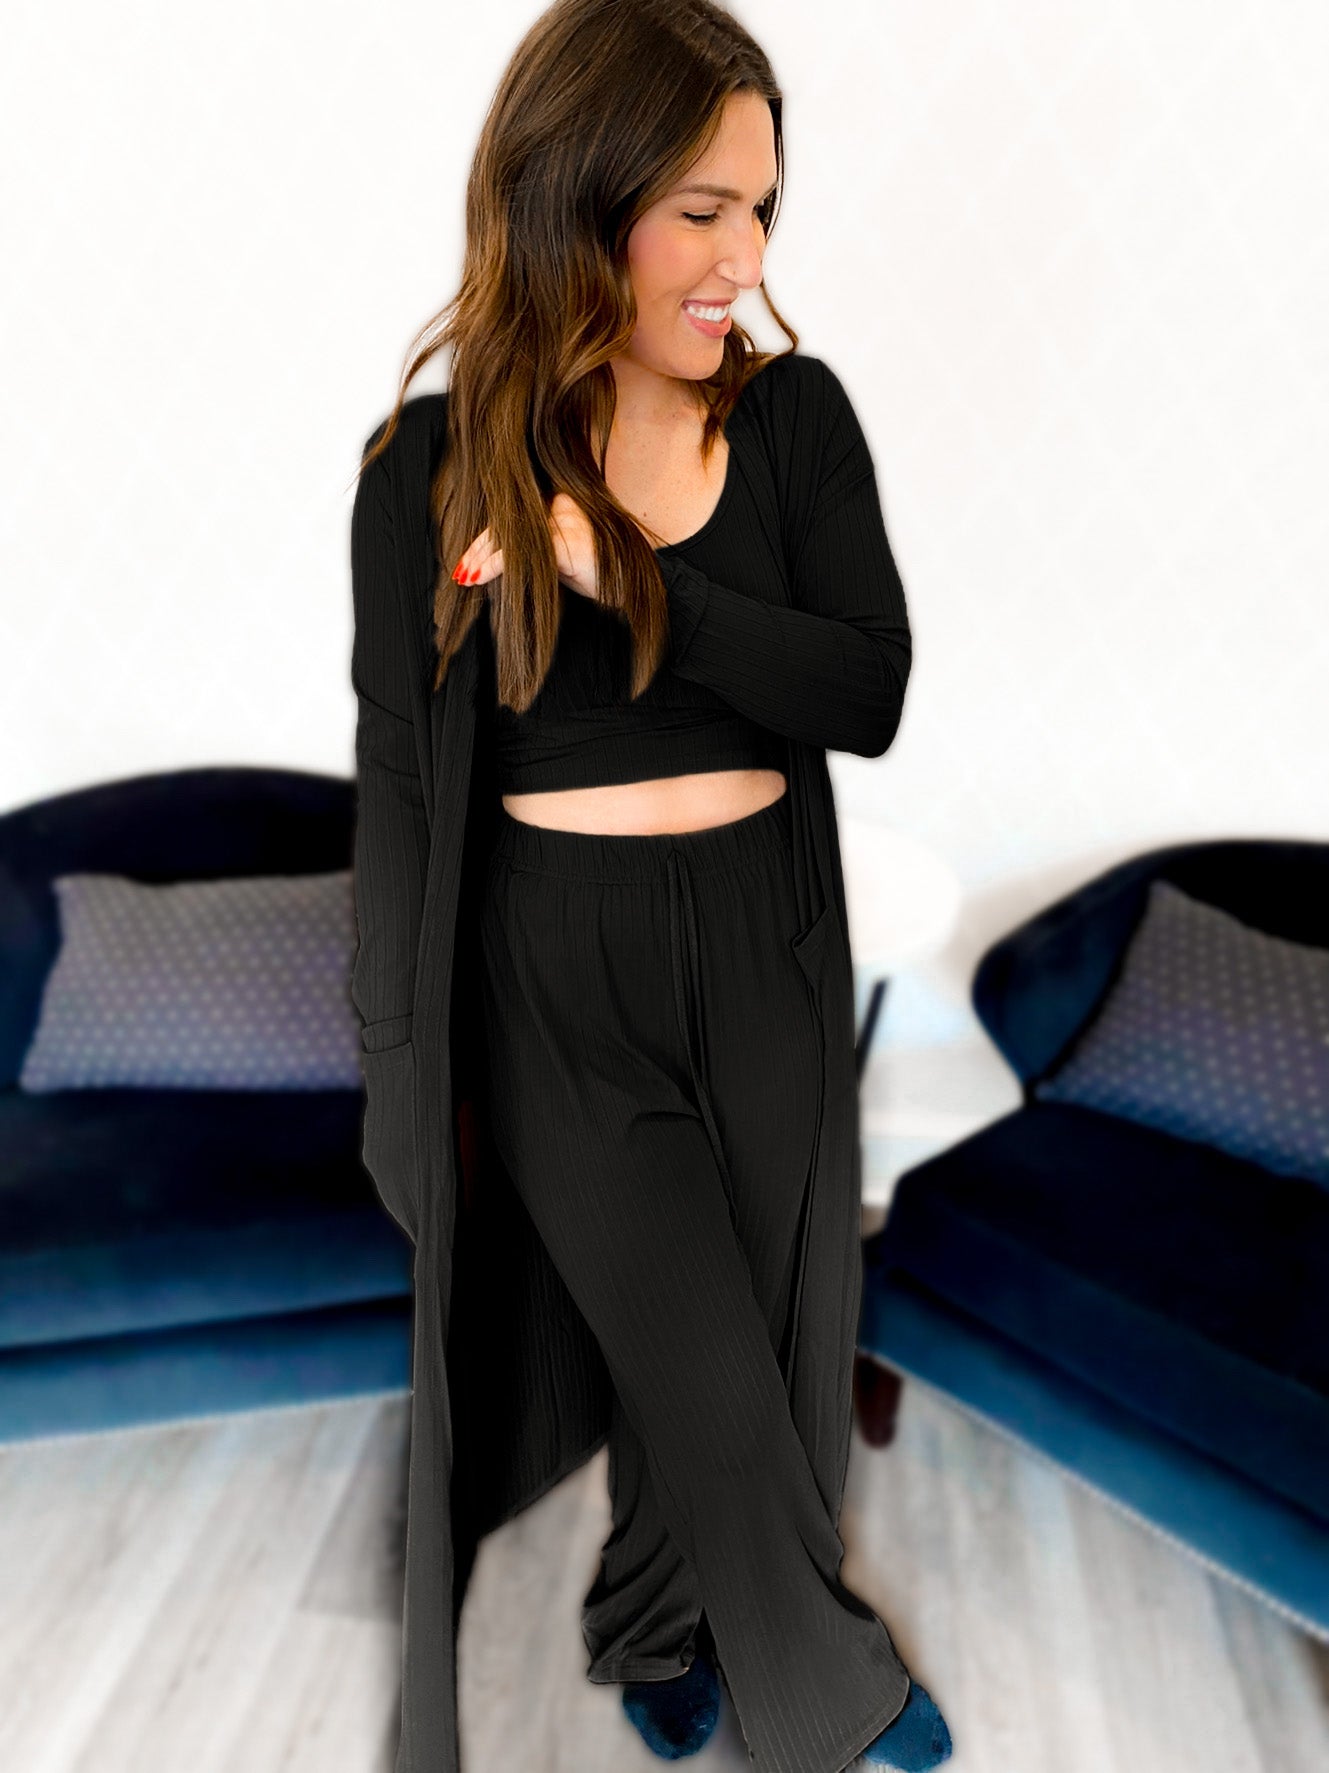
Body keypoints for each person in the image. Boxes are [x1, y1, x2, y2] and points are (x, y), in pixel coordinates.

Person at [349, 3, 953, 1769]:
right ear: (579, 193)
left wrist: (634, 584)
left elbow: (864, 691)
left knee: (756, 1337)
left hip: (766, 939)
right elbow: (403, 788)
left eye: (760, 208)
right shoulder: (429, 470)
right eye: (702, 210)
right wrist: (394, 1067)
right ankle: (835, 1698)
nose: (745, 257)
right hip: (558, 969)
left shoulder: (795, 423)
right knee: (685, 1340)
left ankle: (647, 1630)